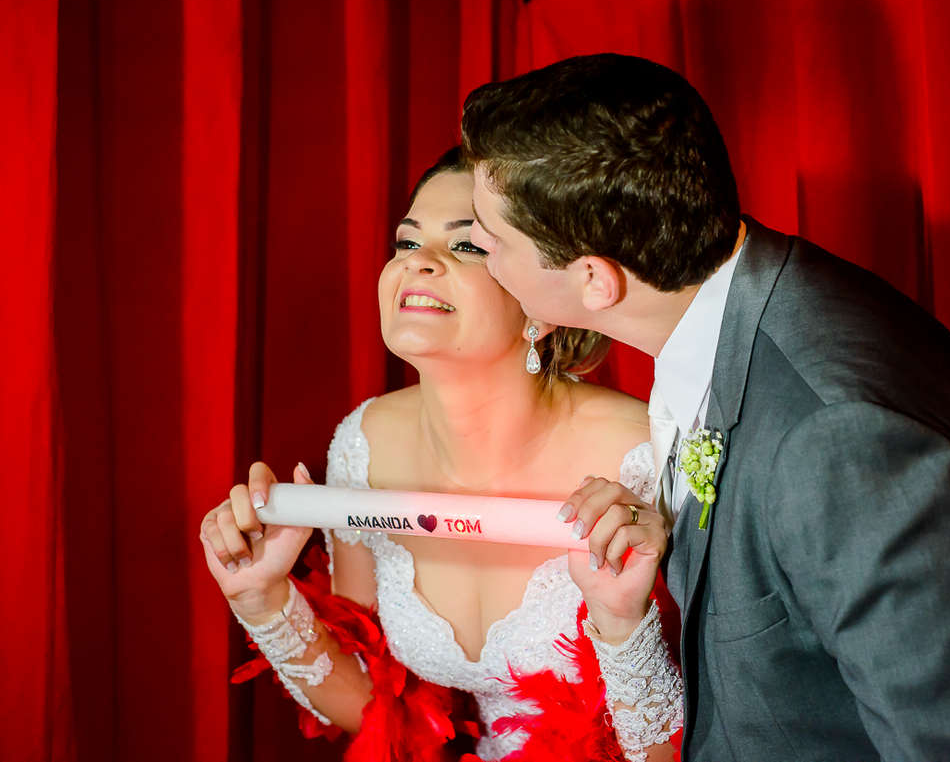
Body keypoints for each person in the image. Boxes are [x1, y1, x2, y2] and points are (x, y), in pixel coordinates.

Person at [459, 54, 950, 761]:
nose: (482, 256)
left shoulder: (838, 437)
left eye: (493, 240)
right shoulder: (739, 308)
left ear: (594, 279)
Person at [199, 148, 682, 762]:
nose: (417, 262)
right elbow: (380, 714)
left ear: (541, 299)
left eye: (467, 246)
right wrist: (261, 599)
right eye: (406, 242)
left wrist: (624, 628)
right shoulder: (364, 444)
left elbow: (722, 723)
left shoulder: (646, 455)